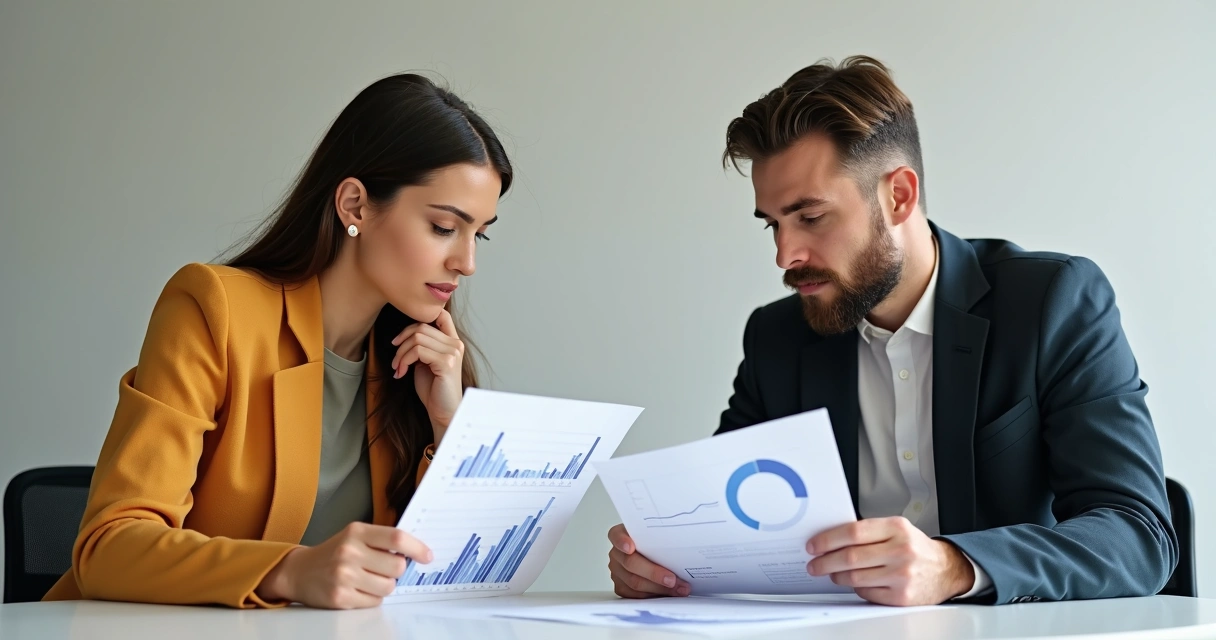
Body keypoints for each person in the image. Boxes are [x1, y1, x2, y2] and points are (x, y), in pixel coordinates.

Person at [607, 56, 1176, 606]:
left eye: (810, 217)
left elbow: (1137, 534)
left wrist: (954, 566)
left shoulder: (1052, 302)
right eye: (773, 224)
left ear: (898, 195)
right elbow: (723, 525)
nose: (785, 255)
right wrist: (660, 562)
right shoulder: (776, 338)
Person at [43, 74, 512, 609]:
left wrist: (449, 425)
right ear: (355, 205)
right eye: (443, 227)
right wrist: (290, 570)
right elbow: (109, 547)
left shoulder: (420, 362)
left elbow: (456, 577)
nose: (467, 263)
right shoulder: (213, 309)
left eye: (481, 233)